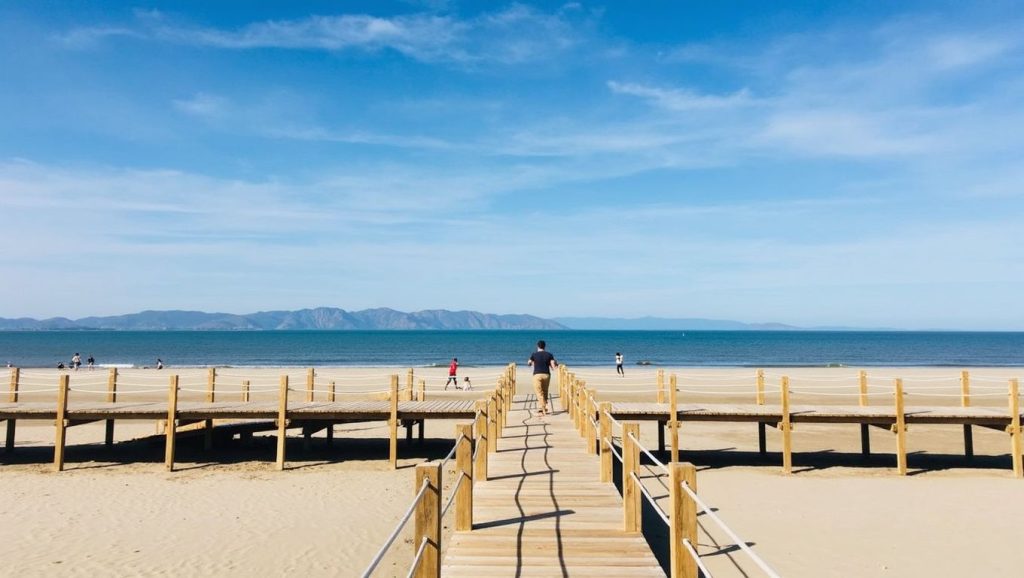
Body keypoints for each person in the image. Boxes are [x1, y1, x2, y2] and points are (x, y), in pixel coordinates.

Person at [528, 340, 558, 416]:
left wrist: (531, 363)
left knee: (539, 392)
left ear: (537, 346)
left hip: (537, 375)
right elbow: (553, 367)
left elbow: (529, 362)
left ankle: (543, 408)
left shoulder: (534, 354)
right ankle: (544, 407)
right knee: (545, 391)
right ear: (545, 346)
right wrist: (556, 365)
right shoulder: (549, 355)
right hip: (546, 375)